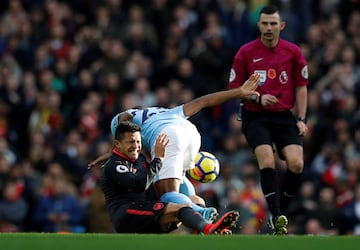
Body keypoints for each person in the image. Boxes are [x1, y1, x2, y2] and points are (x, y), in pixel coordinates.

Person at [89, 73, 260, 222]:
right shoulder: (167, 112)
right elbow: (204, 101)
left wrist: (114, 152)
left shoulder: (131, 117)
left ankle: (202, 212)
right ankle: (201, 212)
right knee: (183, 192)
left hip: (168, 136)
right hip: (191, 134)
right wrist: (238, 92)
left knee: (167, 194)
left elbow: (124, 120)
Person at [228, 5, 309, 235]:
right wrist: (258, 97)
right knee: (267, 159)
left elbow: (302, 87)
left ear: (281, 25)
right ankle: (275, 215)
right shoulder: (246, 52)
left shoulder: (293, 52)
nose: (269, 28)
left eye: (273, 23)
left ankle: (281, 212)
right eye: (265, 23)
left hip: (284, 116)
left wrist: (301, 118)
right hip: (255, 115)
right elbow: (235, 88)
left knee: (296, 164)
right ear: (259, 25)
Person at [101, 121, 239, 234]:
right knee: (179, 208)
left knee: (193, 200)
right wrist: (158, 159)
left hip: (145, 208)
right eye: (131, 142)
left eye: (138, 142)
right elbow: (140, 183)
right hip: (127, 215)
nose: (136, 146)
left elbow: (150, 176)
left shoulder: (140, 159)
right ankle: (208, 228)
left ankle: (206, 229)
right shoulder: (114, 165)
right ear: (117, 145)